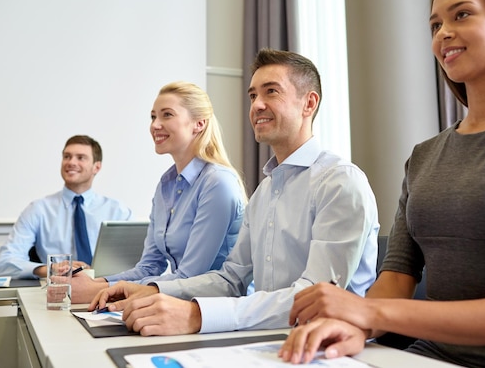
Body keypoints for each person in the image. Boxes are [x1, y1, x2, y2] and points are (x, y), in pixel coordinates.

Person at [280, 0, 485, 368]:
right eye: (435, 24)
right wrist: (352, 327)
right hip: (429, 357)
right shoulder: (424, 156)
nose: (443, 33)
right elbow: (396, 280)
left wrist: (368, 313)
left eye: (461, 15)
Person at [88, 48, 380, 336]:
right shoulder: (265, 191)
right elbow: (231, 279)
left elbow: (314, 298)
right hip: (267, 339)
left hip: (331, 348)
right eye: (253, 95)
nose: (257, 105)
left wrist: (197, 314)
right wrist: (151, 288)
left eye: (271, 92)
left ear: (309, 103)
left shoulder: (340, 182)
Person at [70, 81, 247, 303]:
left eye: (167, 115)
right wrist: (99, 284)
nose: (155, 125)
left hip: (219, 311)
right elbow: (149, 267)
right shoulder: (166, 185)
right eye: (153, 117)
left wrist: (107, 290)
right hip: (180, 304)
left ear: (199, 123)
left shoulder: (218, 183)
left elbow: (190, 277)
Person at [0, 135, 133, 279]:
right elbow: (3, 264)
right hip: (58, 290)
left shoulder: (118, 212)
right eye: (67, 156)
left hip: (106, 289)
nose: (71, 162)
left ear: (96, 167)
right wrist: (51, 268)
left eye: (80, 157)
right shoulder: (38, 209)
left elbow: (136, 263)